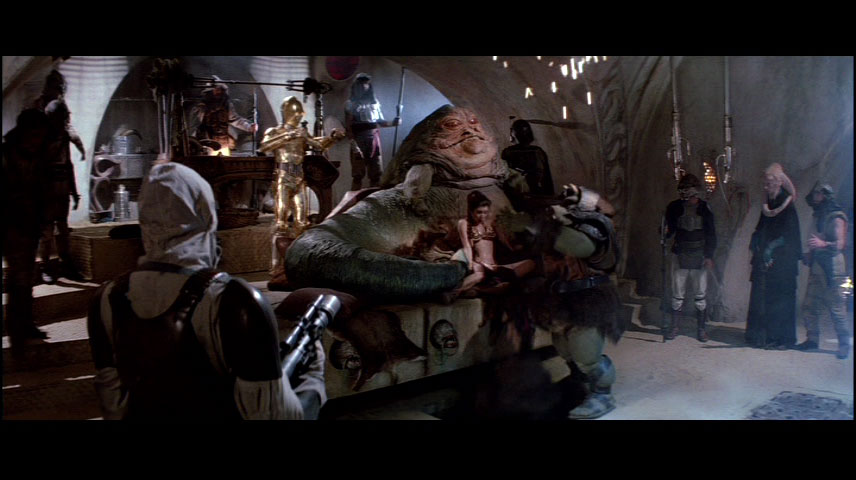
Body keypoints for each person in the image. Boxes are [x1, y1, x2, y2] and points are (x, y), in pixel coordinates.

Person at [86, 162, 326, 419]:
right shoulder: (233, 300)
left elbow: (114, 407)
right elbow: (274, 416)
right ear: (206, 214)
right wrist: (312, 378)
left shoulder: (107, 298)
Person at [259, 96, 345, 288]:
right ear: (289, 112)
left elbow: (317, 145)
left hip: (299, 178)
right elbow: (264, 147)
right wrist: (286, 137)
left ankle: (298, 265)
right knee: (281, 223)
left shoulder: (301, 132)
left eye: (300, 113)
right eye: (296, 112)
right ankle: (276, 268)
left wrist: (332, 138)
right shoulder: (274, 131)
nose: (299, 116)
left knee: (302, 222)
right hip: (283, 178)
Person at [2, 109, 51, 348]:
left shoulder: (36, 155)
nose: (37, 141)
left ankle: (25, 324)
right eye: (33, 136)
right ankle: (17, 330)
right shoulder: (7, 155)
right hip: (12, 224)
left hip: (29, 223)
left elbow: (40, 187)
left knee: (26, 276)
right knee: (18, 278)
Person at [745, 163, 802, 349]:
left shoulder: (787, 206)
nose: (766, 186)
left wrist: (771, 248)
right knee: (770, 300)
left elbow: (790, 236)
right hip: (768, 263)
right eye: (765, 183)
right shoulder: (769, 204)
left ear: (778, 183)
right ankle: (769, 336)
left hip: (784, 262)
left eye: (769, 183)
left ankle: (785, 339)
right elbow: (762, 227)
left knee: (783, 301)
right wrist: (755, 241)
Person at [446, 190, 535, 302]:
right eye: (479, 212)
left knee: (530, 263)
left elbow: (504, 241)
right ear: (471, 211)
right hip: (480, 266)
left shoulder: (491, 222)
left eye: (485, 212)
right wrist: (470, 265)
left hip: (495, 267)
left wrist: (512, 246)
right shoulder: (464, 223)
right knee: (481, 275)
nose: (483, 216)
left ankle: (482, 289)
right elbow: (466, 247)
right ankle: (454, 292)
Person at [796, 182, 850, 360]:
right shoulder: (818, 215)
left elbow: (840, 244)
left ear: (824, 195)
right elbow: (815, 240)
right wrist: (810, 254)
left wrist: (822, 244)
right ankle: (812, 339)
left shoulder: (836, 216)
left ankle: (844, 344)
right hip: (818, 268)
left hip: (833, 270)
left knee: (837, 309)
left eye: (817, 194)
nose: (814, 197)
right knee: (809, 305)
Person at [662, 173, 717, 342]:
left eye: (688, 190)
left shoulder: (705, 208)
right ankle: (674, 327)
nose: (686, 195)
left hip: (699, 255)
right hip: (680, 254)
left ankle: (701, 329)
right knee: (677, 294)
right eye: (683, 190)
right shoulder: (674, 207)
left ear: (695, 191)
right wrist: (664, 232)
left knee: (700, 295)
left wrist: (709, 256)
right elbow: (669, 230)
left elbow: (711, 234)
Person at [38, 98, 86, 284]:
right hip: (47, 189)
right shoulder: (42, 137)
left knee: (62, 229)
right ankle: (45, 266)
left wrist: (73, 192)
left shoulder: (63, 136)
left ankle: (65, 264)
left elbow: (68, 164)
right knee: (46, 231)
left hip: (61, 188)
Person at [344, 72, 401, 191]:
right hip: (359, 139)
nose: (363, 86)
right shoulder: (350, 104)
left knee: (376, 173)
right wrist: (354, 146)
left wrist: (394, 123)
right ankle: (353, 199)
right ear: (356, 86)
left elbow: (381, 122)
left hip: (374, 140)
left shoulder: (375, 104)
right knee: (358, 174)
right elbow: (348, 128)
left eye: (365, 84)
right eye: (360, 84)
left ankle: (373, 198)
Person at [190, 81, 257, 154]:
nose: (219, 92)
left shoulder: (226, 105)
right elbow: (194, 125)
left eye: (221, 90)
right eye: (216, 89)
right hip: (207, 143)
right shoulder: (202, 106)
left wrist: (249, 127)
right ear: (211, 91)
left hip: (223, 142)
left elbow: (235, 119)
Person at [500, 119, 555, 196]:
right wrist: (549, 194)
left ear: (513, 134)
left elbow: (503, 176)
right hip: (535, 192)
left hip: (515, 194)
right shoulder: (538, 151)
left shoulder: (507, 152)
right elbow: (546, 178)